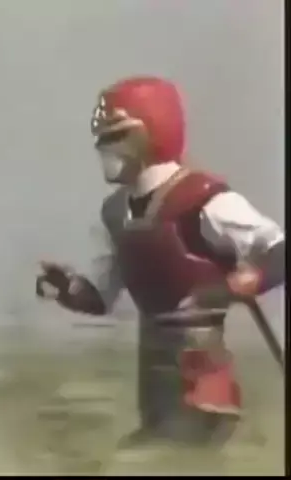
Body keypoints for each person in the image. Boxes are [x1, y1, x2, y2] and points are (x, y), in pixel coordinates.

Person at [36, 76, 285, 448]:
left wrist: (245, 281)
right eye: (103, 138)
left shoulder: (203, 200)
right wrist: (68, 288)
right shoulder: (116, 213)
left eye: (117, 136)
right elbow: (102, 298)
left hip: (203, 388)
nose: (105, 147)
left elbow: (278, 250)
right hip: (155, 387)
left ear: (150, 132)